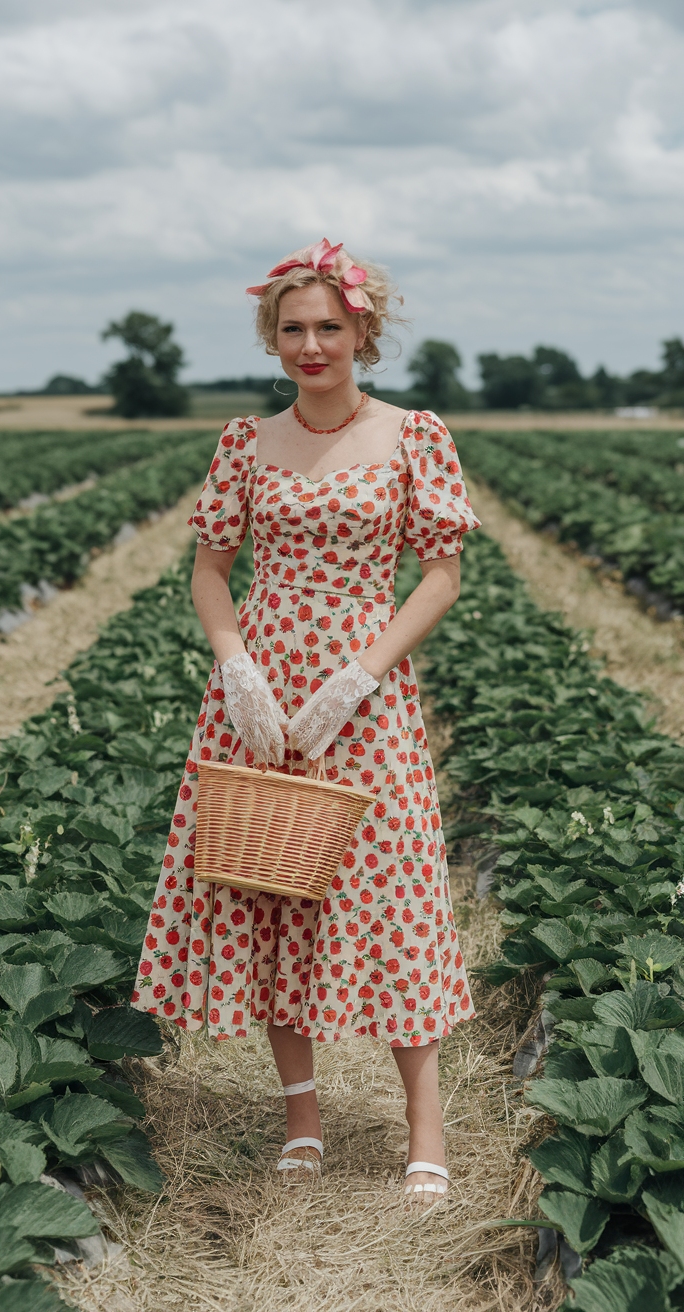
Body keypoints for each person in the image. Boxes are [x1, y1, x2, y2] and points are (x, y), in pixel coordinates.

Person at [131, 238, 481, 1207]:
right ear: (271, 336)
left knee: (392, 893)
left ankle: (424, 1128)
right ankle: (301, 1117)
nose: (312, 343)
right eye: (294, 328)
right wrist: (235, 663)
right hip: (263, 693)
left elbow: (441, 572)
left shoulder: (413, 433)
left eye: (330, 324)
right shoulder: (247, 439)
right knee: (271, 886)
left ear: (364, 329)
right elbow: (210, 567)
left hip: (362, 693)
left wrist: (360, 677)